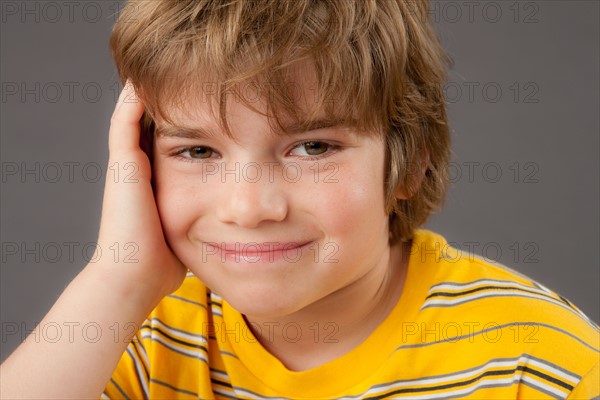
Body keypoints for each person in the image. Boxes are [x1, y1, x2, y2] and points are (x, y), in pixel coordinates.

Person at [1, 0, 598, 399]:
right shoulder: (139, 331)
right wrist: (118, 280)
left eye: (312, 147)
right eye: (198, 152)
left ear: (410, 162)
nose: (248, 207)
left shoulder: (539, 363)